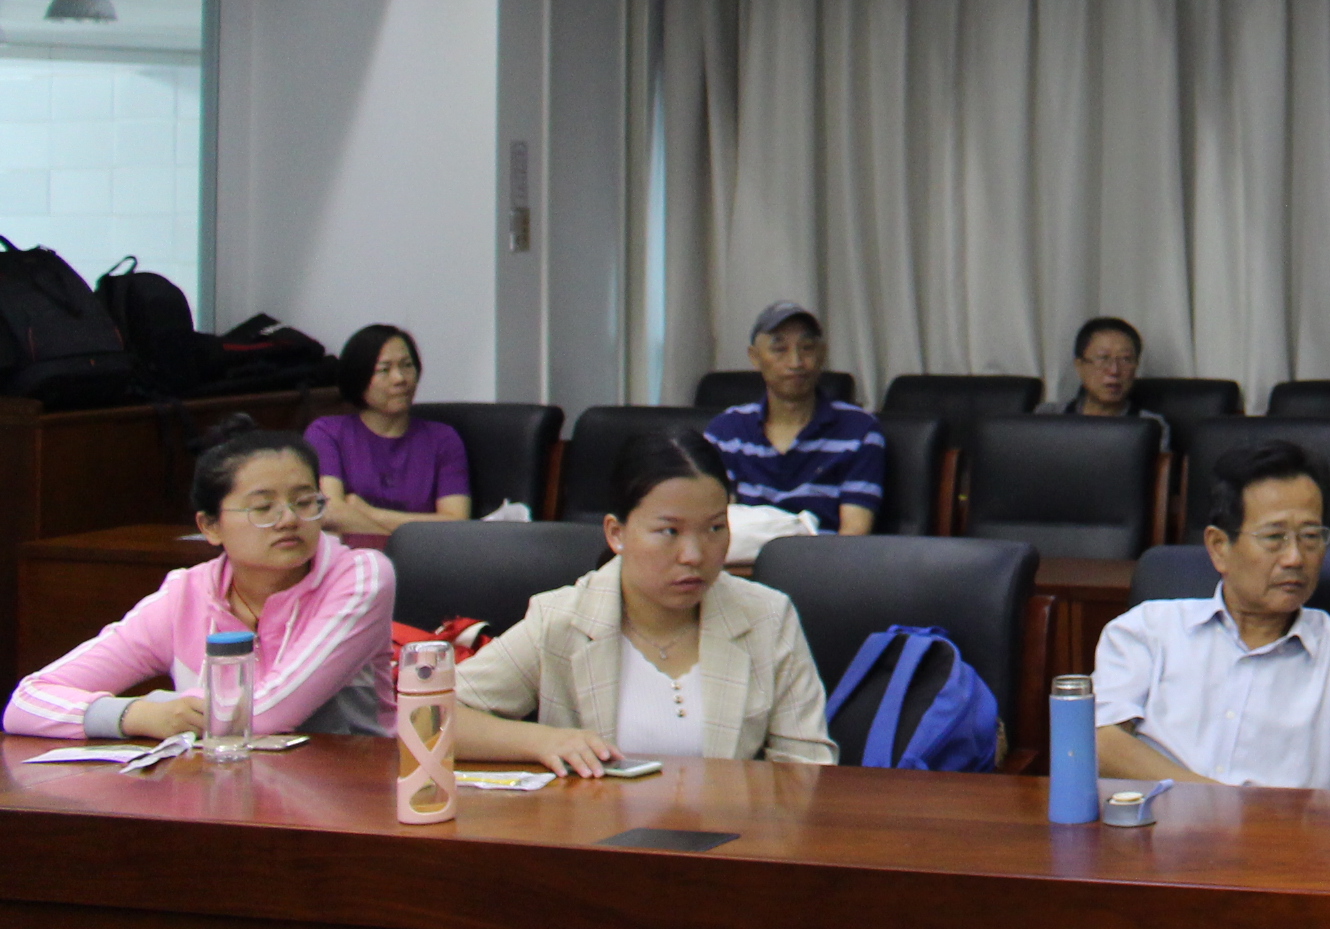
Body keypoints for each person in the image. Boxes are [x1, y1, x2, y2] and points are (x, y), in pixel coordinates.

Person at [453, 430, 834, 774]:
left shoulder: (767, 617)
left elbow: (807, 770)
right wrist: (542, 741)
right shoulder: (562, 619)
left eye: (715, 528)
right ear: (616, 533)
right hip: (593, 828)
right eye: (669, 531)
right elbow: (435, 718)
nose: (693, 555)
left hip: (731, 827)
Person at [1092, 440, 1330, 792]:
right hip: (1156, 824)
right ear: (1219, 547)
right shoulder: (1147, 632)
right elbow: (1098, 740)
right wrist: (1218, 803)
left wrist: (1319, 816)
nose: (1295, 558)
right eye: (1274, 537)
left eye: (1310, 536)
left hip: (1289, 829)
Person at [7, 427, 391, 740]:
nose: (289, 519)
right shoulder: (184, 595)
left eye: (304, 502)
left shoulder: (360, 577)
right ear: (210, 526)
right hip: (216, 790)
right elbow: (26, 702)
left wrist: (170, 706)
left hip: (350, 791)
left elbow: (268, 714)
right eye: (263, 508)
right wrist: (136, 714)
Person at [704, 301, 885, 534]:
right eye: (780, 349)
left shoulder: (860, 431)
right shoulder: (726, 431)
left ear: (822, 354)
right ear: (755, 357)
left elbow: (854, 533)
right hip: (744, 554)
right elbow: (711, 525)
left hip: (822, 555)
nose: (796, 362)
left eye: (807, 348)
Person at [304, 323, 472, 534]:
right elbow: (332, 513)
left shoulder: (443, 438)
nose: (400, 379)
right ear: (358, 377)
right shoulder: (327, 433)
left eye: (407, 365)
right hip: (354, 554)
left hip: (423, 555)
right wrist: (401, 541)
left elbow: (456, 524)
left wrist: (369, 513)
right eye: (384, 369)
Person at [1041, 318, 1165, 434]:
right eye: (1103, 358)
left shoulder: (1151, 426)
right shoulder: (1047, 417)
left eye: (1126, 359)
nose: (1114, 371)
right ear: (1080, 366)